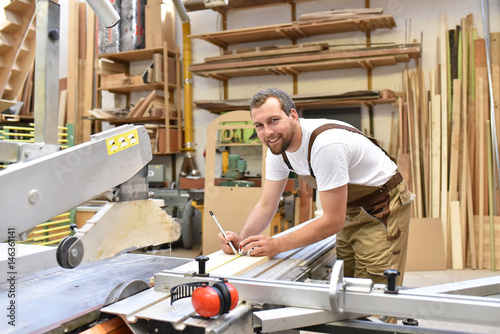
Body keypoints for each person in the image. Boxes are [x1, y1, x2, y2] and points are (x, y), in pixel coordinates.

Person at [218, 88, 415, 285]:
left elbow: (332, 221)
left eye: (274, 120)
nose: (268, 132)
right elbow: (266, 205)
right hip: (349, 207)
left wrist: (277, 244)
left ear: (293, 116)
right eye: (259, 125)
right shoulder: (278, 150)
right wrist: (242, 241)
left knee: (374, 287)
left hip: (382, 206)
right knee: (345, 282)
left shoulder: (326, 145)